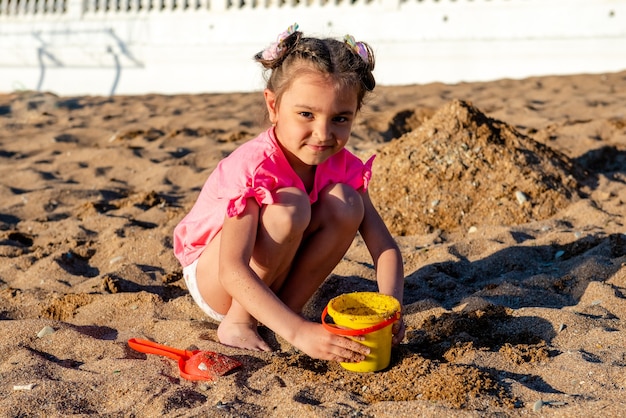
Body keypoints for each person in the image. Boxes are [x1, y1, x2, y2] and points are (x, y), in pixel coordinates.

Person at [173, 24, 405, 363]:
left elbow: (385, 248)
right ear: (273, 106)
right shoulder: (256, 167)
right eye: (306, 115)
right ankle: (240, 323)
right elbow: (232, 269)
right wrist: (300, 334)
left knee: (347, 203)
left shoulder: (342, 165)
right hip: (218, 282)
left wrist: (391, 308)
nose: (323, 133)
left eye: (340, 118)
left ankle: (286, 311)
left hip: (269, 278)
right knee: (290, 206)